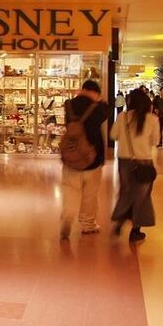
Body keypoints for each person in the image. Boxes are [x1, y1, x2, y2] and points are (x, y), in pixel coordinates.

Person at [60, 80, 110, 239]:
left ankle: (68, 214)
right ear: (95, 93)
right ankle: (88, 224)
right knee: (90, 194)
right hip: (92, 158)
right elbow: (107, 110)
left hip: (71, 157)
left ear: (82, 89)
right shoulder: (98, 108)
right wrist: (98, 100)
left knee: (70, 190)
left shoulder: (69, 105)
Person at [110, 89, 159, 242]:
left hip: (125, 161)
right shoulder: (152, 119)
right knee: (141, 197)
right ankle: (135, 230)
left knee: (126, 192)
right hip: (144, 162)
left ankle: (120, 219)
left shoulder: (122, 117)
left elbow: (113, 135)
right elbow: (155, 141)